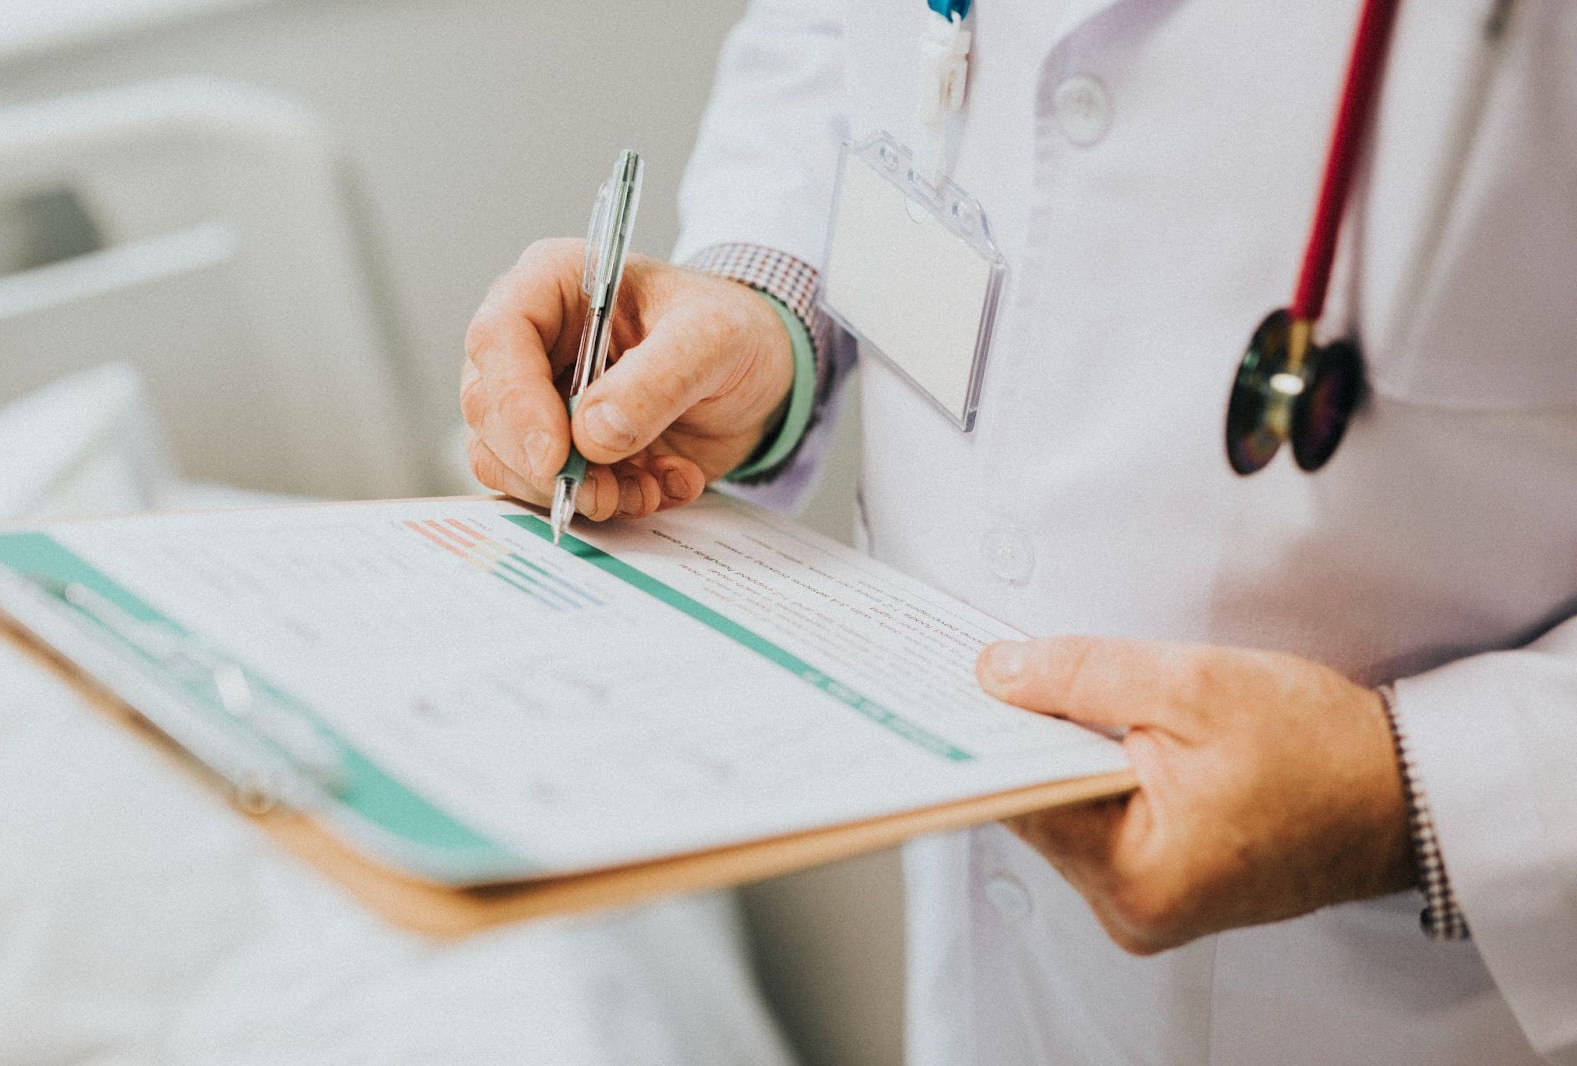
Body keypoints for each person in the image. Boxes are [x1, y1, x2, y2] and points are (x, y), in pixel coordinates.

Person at [459, 1, 1577, 1061]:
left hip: (1435, 988)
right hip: (975, 891)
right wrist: (768, 300)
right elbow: (835, 35)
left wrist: (1416, 793)